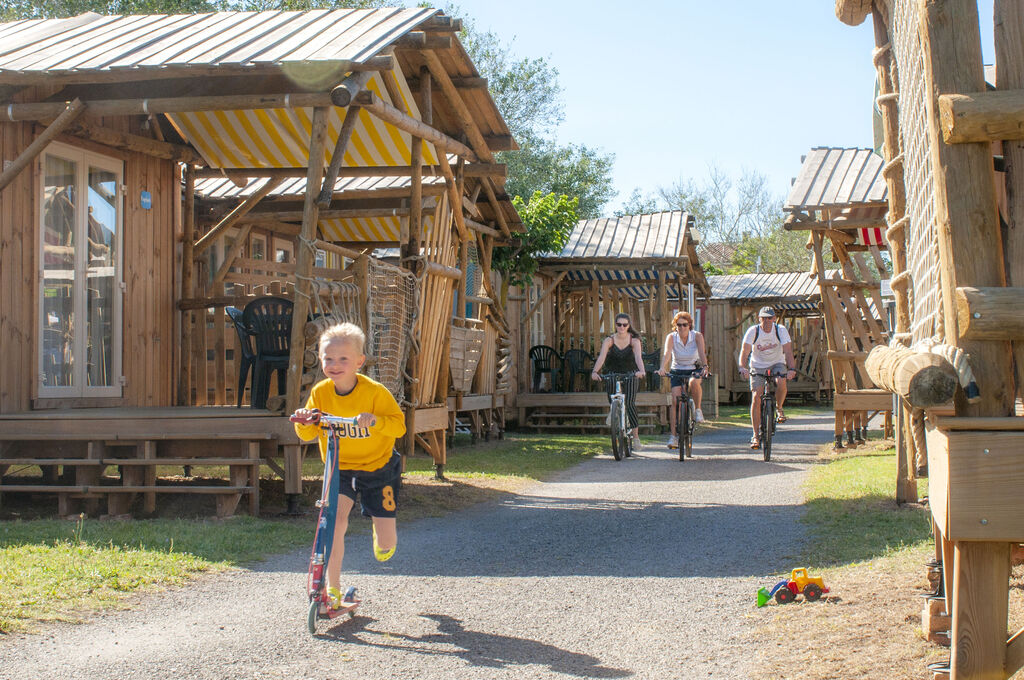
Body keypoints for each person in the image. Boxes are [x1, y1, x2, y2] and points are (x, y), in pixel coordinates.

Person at [293, 322, 406, 611]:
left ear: (359, 362)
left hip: (378, 468)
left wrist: (375, 421)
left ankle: (380, 532)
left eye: (343, 359)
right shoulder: (320, 393)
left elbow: (399, 427)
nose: (334, 365)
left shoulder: (374, 392)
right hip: (339, 470)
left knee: (386, 544)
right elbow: (307, 434)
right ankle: (331, 590)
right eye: (328, 358)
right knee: (333, 526)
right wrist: (306, 421)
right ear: (320, 360)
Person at [738, 306, 797, 449]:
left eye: (770, 318)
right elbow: (745, 351)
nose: (767, 321)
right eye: (764, 318)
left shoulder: (780, 330)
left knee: (781, 381)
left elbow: (788, 351)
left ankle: (779, 407)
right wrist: (742, 367)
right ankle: (755, 435)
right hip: (758, 365)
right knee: (756, 396)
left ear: (774, 319)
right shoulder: (753, 331)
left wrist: (792, 369)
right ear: (759, 319)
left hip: (777, 362)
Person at [590, 313, 646, 448]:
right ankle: (613, 410)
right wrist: (594, 372)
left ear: (628, 326)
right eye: (619, 324)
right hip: (613, 373)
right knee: (611, 396)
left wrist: (641, 371)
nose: (621, 327)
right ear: (615, 325)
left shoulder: (634, 340)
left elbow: (638, 357)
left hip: (631, 373)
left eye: (624, 325)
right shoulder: (609, 340)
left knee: (630, 403)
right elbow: (602, 357)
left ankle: (636, 437)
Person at [656, 311, 709, 449]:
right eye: (679, 325)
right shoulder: (672, 337)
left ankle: (697, 409)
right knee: (675, 401)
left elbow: (702, 353)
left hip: (693, 368)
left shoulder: (697, 336)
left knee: (693, 382)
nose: (682, 328)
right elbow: (667, 353)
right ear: (675, 326)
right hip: (677, 369)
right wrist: (662, 367)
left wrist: (705, 367)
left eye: (685, 325)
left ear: (689, 325)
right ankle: (673, 436)